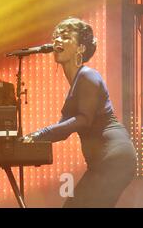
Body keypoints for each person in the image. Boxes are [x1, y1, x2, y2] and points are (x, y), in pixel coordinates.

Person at [22, 17, 137, 208]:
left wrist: (40, 134)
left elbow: (83, 119)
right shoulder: (77, 83)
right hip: (105, 161)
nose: (57, 40)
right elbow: (64, 130)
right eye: (56, 37)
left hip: (114, 156)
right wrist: (31, 139)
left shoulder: (88, 75)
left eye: (65, 37)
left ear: (81, 48)